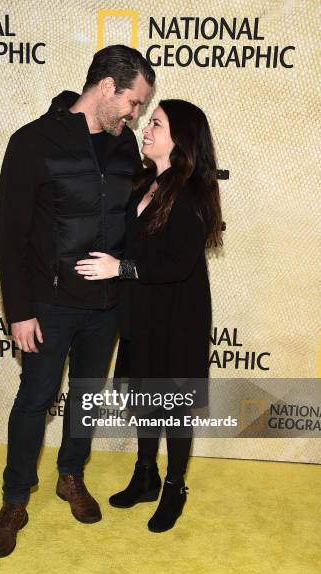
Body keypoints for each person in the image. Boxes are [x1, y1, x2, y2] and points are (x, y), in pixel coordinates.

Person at [0, 45, 155, 558]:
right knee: (34, 401)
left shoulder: (126, 149)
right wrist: (19, 311)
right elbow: (9, 235)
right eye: (134, 102)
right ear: (107, 87)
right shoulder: (34, 142)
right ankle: (15, 499)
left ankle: (70, 476)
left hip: (106, 306)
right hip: (48, 305)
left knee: (85, 397)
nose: (136, 114)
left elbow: (132, 220)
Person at [75, 99, 223, 532]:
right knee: (144, 400)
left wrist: (118, 268)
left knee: (173, 409)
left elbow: (177, 264)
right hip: (140, 315)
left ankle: (175, 486)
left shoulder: (193, 193)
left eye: (156, 123)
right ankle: (146, 476)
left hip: (177, 320)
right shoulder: (144, 185)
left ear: (180, 140)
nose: (146, 128)